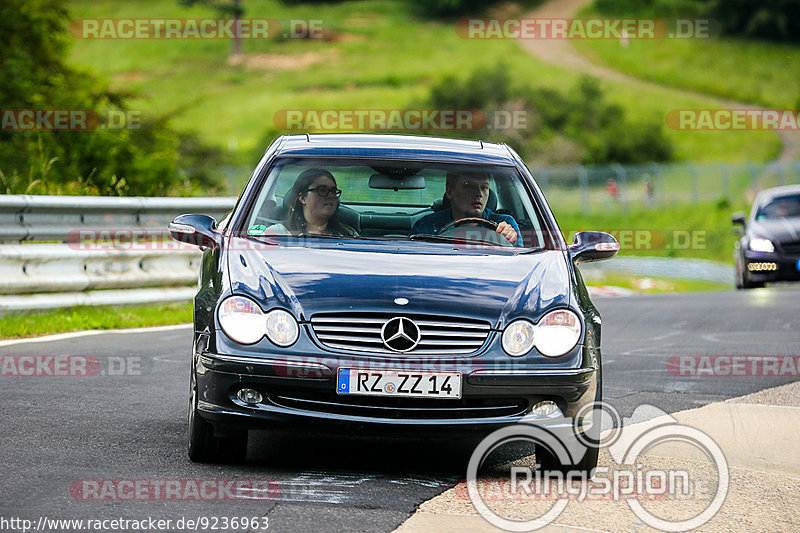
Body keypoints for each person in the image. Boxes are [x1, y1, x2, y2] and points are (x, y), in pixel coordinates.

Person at [411, 170, 523, 246]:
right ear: (450, 192)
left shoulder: (503, 224)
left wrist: (509, 238)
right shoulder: (427, 226)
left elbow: (519, 263)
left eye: (484, 188)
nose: (479, 194)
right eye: (469, 187)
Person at [268, 168, 356, 236]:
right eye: (322, 190)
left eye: (333, 191)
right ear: (302, 198)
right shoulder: (277, 234)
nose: (331, 196)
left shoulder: (347, 234)